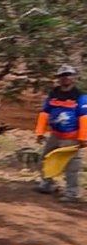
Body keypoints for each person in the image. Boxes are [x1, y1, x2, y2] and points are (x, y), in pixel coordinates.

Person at [34, 64, 87, 203]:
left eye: (68, 75)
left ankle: (72, 193)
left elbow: (84, 118)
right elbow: (45, 113)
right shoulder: (53, 94)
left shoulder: (80, 97)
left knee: (71, 166)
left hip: (71, 137)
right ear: (58, 78)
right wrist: (40, 132)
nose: (65, 78)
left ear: (74, 78)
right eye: (62, 76)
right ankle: (47, 184)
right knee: (44, 159)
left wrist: (83, 138)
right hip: (55, 135)